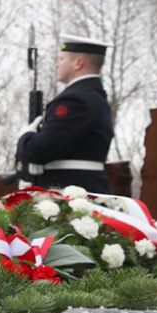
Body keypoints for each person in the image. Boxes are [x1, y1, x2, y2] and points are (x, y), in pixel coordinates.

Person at [16, 33, 114, 193]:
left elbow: (39, 150)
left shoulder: (75, 100)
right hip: (84, 186)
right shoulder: (94, 95)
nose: (57, 64)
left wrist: (26, 136)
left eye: (61, 59)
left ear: (78, 63)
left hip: (69, 190)